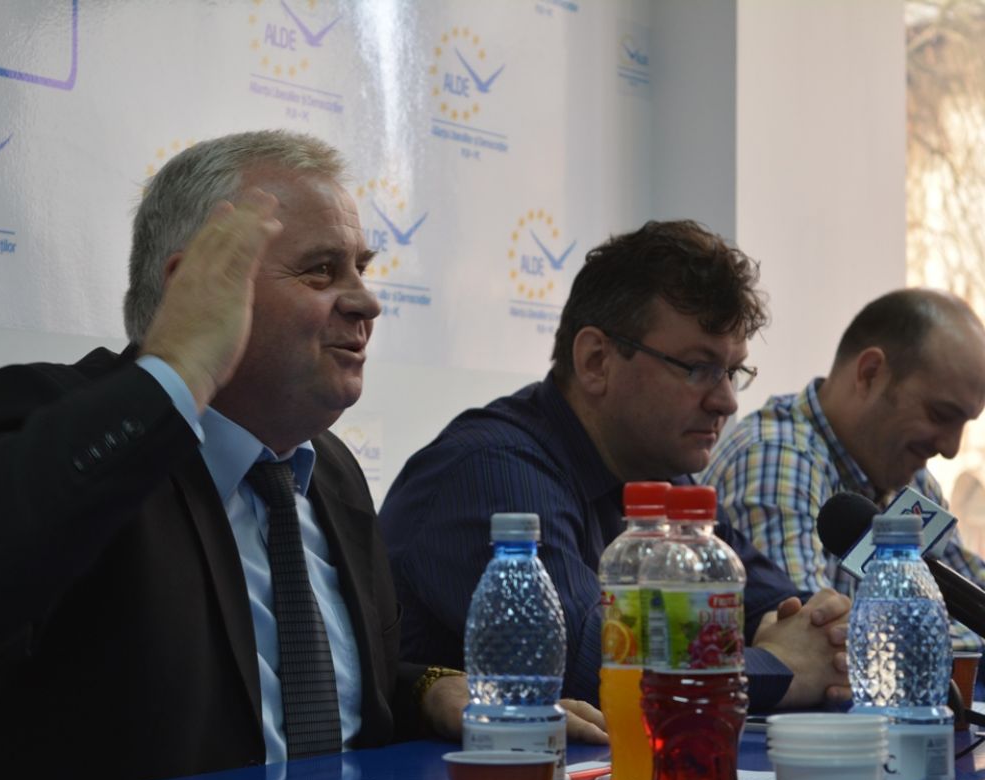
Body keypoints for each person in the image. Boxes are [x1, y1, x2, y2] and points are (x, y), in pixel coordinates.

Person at [0, 130, 606, 780]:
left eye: (361, 267)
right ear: (195, 286)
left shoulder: (329, 471)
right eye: (321, 271)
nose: (366, 301)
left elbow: (301, 694)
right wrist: (175, 373)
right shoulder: (45, 418)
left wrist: (427, 691)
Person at [380, 220, 851, 713]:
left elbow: (774, 607)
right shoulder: (489, 472)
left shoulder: (662, 475)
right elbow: (600, 669)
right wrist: (779, 665)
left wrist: (816, 635)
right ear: (596, 361)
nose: (727, 401)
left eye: (733, 371)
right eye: (699, 368)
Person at [703, 288, 985, 649]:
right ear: (870, 373)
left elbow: (972, 602)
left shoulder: (911, 479)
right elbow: (814, 644)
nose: (950, 448)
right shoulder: (776, 458)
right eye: (940, 415)